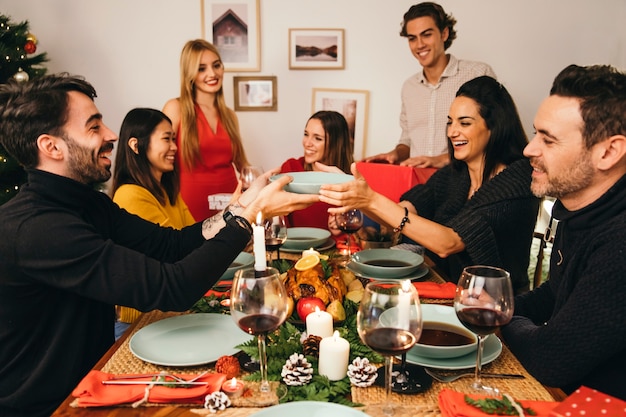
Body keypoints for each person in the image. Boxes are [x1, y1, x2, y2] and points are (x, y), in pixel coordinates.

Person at [0, 73, 317, 417]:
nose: (111, 135)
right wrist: (246, 219)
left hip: (95, 382)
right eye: (93, 127)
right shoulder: (36, 228)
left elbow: (173, 244)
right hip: (48, 406)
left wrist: (240, 207)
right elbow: (173, 288)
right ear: (51, 146)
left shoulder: (87, 203)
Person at [320, 76, 539, 294]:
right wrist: (356, 195)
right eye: (450, 121)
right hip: (445, 289)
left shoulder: (515, 181)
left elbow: (449, 242)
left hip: (495, 305)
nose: (452, 131)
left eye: (464, 123)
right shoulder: (456, 174)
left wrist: (370, 199)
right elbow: (403, 211)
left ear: (494, 127)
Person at [501, 64, 626, 399]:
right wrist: (501, 304)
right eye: (535, 133)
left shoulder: (620, 241)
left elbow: (550, 358)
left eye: (548, 139)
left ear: (608, 152)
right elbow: (555, 293)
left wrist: (496, 318)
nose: (529, 149)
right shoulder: (580, 210)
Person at [364, 2, 496, 168]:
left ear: (444, 33)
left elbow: (495, 132)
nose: (419, 45)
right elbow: (407, 140)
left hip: (464, 180)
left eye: (426, 35)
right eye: (412, 38)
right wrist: (395, 154)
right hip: (419, 185)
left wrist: (440, 159)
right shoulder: (409, 87)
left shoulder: (477, 73)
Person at [110, 108, 196, 335]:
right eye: (166, 139)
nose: (175, 147)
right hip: (139, 322)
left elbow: (195, 239)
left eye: (174, 139)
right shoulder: (129, 195)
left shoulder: (167, 191)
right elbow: (176, 252)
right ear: (135, 145)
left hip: (167, 311)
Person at [163, 39, 250, 219]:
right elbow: (158, 157)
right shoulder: (175, 108)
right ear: (190, 74)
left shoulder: (229, 115)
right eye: (202, 68)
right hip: (189, 203)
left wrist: (273, 179)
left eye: (216, 65)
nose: (212, 73)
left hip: (231, 204)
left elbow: (243, 166)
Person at [280, 110, 354, 231]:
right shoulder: (291, 169)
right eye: (306, 134)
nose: (307, 143)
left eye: (317, 138)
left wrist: (342, 228)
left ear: (336, 143)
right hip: (291, 247)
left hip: (333, 248)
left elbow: (360, 231)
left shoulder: (351, 179)